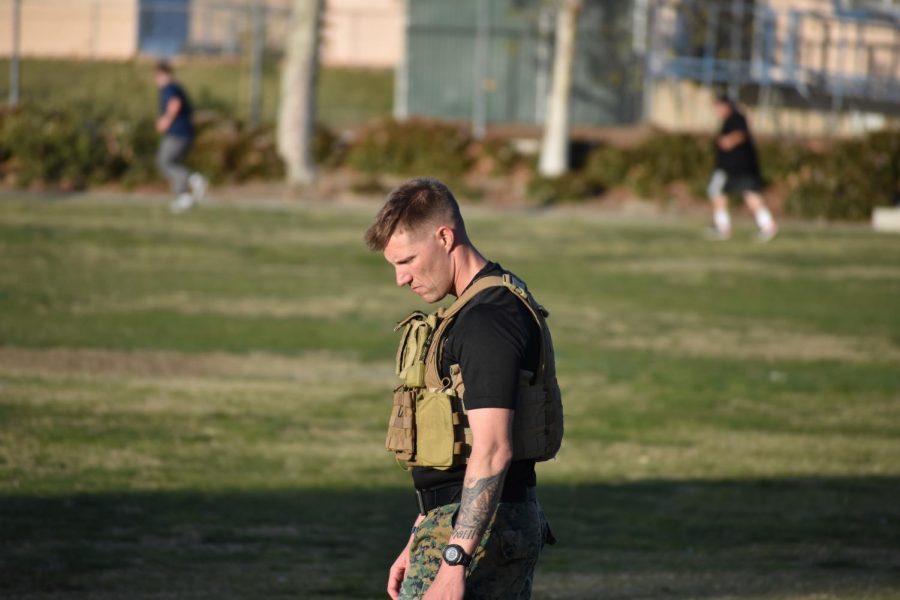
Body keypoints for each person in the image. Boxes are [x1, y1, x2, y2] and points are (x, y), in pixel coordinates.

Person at [365, 178, 563, 600]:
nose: (401, 279)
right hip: (460, 524)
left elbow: (492, 448)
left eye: (408, 261)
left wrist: (454, 560)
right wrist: (421, 534)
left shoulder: (487, 320)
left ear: (444, 236)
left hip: (477, 534)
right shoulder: (482, 307)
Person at [706, 95, 778, 242]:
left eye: (717, 107)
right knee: (740, 194)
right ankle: (766, 225)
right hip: (735, 168)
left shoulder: (736, 118)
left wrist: (728, 141)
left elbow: (741, 134)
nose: (716, 111)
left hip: (735, 168)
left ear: (725, 106)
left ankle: (724, 227)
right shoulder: (731, 119)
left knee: (718, 191)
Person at [154, 61, 207, 214]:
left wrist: (165, 120)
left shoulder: (169, 88)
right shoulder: (177, 87)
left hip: (177, 133)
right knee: (172, 162)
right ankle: (184, 194)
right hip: (184, 133)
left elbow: (174, 104)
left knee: (165, 161)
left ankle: (192, 183)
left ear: (161, 75)